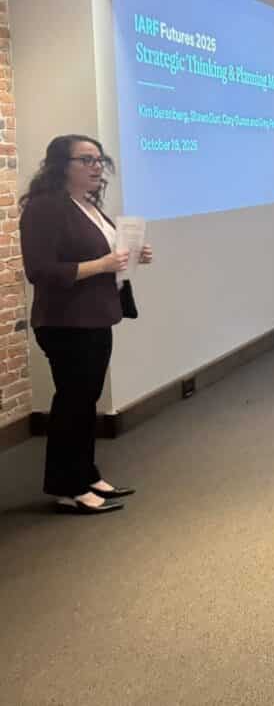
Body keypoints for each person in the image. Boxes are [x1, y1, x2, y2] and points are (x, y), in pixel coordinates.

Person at [19, 135, 153, 515]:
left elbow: (105, 256)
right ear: (61, 164)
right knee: (72, 403)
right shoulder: (45, 208)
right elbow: (40, 271)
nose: (97, 167)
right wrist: (103, 265)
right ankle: (67, 488)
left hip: (95, 315)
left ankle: (87, 474)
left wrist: (132, 258)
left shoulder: (87, 205)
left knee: (85, 401)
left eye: (99, 160)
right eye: (86, 160)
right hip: (66, 321)